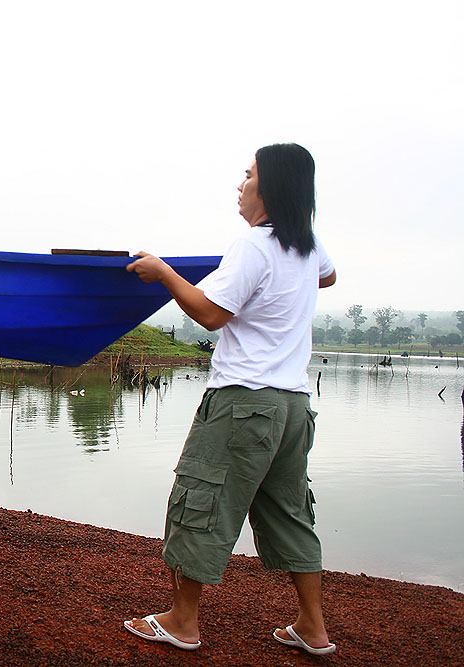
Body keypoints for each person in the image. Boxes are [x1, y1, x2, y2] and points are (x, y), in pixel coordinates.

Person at [123, 143, 337, 656]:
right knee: (290, 513)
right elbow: (328, 276)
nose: (240, 185)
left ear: (271, 188)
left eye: (248, 175)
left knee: (201, 502)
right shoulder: (305, 245)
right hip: (292, 407)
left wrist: (165, 272)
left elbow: (212, 313)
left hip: (244, 402)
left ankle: (183, 622)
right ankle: (313, 628)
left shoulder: (252, 245)